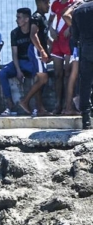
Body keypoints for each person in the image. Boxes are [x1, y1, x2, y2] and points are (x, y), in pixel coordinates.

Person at [0, 8, 35, 115]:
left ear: (27, 19)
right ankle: (9, 104)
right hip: (19, 62)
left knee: (40, 75)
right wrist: (18, 70)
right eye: (16, 17)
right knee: (2, 73)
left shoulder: (33, 30)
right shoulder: (14, 33)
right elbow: (14, 54)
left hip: (30, 62)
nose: (16, 20)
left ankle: (36, 106)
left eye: (19, 17)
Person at [18, 0, 51, 116]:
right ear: (39, 3)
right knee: (43, 79)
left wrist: (50, 47)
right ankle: (25, 101)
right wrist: (42, 51)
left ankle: (40, 108)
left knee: (39, 79)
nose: (49, 6)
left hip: (39, 50)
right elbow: (33, 35)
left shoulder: (43, 17)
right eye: (47, 3)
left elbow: (44, 36)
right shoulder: (36, 17)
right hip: (36, 50)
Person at [50, 0, 75, 114]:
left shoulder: (74, 3)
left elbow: (77, 20)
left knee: (68, 73)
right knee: (57, 74)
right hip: (57, 41)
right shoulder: (55, 4)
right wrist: (51, 30)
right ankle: (58, 104)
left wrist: (70, 28)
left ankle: (67, 104)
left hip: (69, 41)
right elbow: (49, 21)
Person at [72, 0, 93, 129]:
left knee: (85, 82)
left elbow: (75, 36)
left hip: (86, 50)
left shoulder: (78, 10)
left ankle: (86, 118)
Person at [63, 0, 83, 115]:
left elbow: (66, 15)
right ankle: (69, 107)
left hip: (78, 42)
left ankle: (70, 106)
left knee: (75, 75)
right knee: (75, 74)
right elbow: (65, 16)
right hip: (79, 44)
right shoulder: (81, 4)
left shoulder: (79, 5)